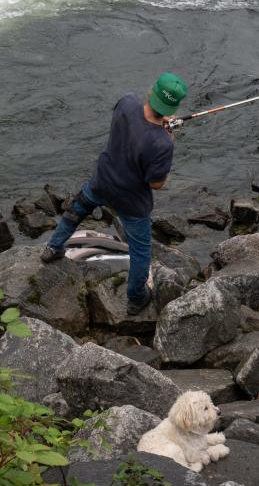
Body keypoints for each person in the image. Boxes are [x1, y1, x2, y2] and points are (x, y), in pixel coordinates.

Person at [41, 72, 188, 316]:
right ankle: (136, 298)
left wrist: (159, 127)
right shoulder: (163, 143)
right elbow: (155, 183)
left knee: (76, 210)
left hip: (102, 180)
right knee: (141, 251)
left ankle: (52, 248)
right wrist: (168, 135)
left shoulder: (127, 102)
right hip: (131, 200)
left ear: (151, 92)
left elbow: (135, 125)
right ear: (173, 107)